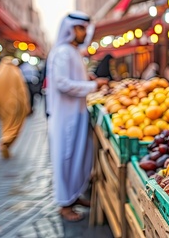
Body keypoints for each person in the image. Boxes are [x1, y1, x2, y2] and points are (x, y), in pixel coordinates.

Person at [46, 11, 108, 222]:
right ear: (70, 29)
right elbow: (62, 83)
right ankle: (65, 204)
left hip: (76, 114)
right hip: (66, 118)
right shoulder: (63, 52)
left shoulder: (72, 52)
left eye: (84, 28)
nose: (84, 32)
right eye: (80, 28)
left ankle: (74, 195)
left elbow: (72, 78)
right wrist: (93, 85)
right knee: (66, 158)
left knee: (78, 157)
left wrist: (87, 78)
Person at [0, 56, 30, 159]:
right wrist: (26, 105)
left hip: (3, 106)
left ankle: (5, 141)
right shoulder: (16, 71)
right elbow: (23, 90)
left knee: (6, 126)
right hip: (16, 105)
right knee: (15, 126)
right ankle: (6, 142)